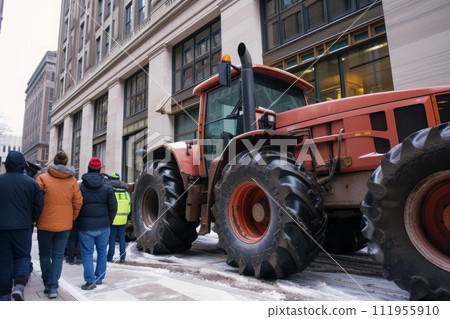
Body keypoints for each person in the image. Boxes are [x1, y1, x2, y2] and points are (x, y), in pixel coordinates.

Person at [35, 150, 83, 299]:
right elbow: (78, 203)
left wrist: (36, 219)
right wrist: (70, 218)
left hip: (44, 224)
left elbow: (35, 202)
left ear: (54, 162)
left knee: (44, 254)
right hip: (64, 225)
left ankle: (47, 283)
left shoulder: (42, 178)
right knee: (57, 256)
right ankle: (54, 286)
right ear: (66, 163)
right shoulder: (73, 182)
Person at [0, 151, 44, 301]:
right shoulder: (32, 183)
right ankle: (19, 285)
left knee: (4, 259)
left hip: (2, 228)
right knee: (22, 256)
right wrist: (31, 220)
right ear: (22, 165)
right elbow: (39, 205)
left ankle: (4, 294)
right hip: (23, 227)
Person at [78, 157, 117, 290]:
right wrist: (108, 221)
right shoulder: (108, 187)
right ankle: (99, 278)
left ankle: (89, 281)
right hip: (103, 226)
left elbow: (76, 206)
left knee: (87, 253)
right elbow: (113, 207)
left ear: (88, 168)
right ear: (100, 170)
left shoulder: (81, 187)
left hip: (85, 226)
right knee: (101, 252)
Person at [107, 173, 131, 263]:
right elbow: (129, 207)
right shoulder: (126, 193)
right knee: (122, 239)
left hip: (112, 220)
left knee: (112, 238)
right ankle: (122, 257)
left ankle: (110, 257)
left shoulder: (110, 191)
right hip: (123, 220)